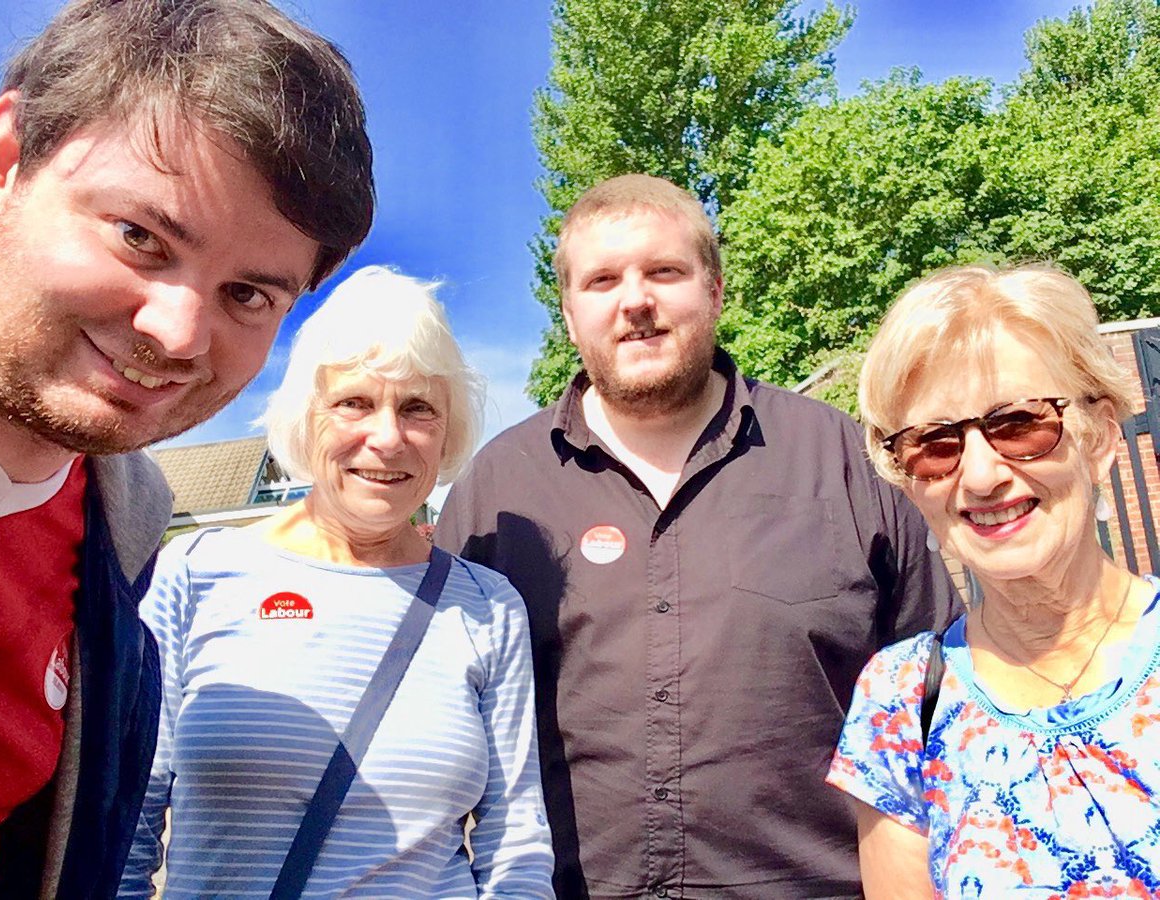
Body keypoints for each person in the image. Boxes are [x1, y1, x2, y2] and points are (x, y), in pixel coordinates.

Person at [434, 173, 959, 898]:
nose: (635, 301)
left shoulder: (844, 464)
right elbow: (437, 724)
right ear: (570, 314)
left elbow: (939, 706)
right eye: (602, 280)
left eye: (664, 272)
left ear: (714, 291)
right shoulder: (497, 492)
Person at [0, 0, 375, 896]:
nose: (179, 333)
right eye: (140, 236)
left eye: (248, 295)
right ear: (1, 160)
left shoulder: (123, 533)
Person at [120, 266, 555, 898]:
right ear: (307, 417)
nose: (388, 438)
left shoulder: (487, 607)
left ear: (448, 431)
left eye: (418, 409)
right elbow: (126, 815)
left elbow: (515, 833)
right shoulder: (196, 572)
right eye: (355, 402)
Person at [828, 263, 1159, 896]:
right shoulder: (899, 702)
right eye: (936, 445)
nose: (981, 476)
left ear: (1099, 440)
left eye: (1019, 424)